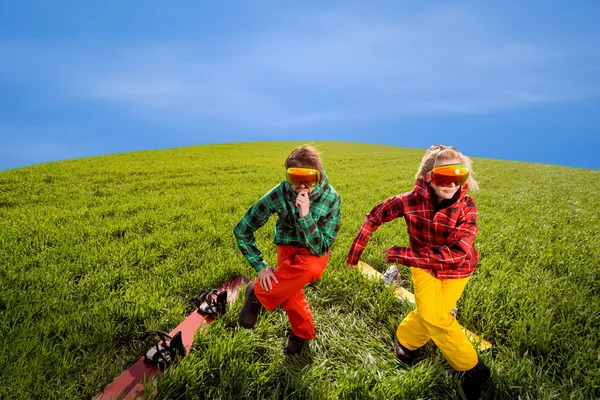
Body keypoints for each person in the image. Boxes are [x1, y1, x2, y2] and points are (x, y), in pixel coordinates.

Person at [345, 144, 490, 400]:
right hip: (424, 269)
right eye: (444, 176)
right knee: (436, 315)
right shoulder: (408, 201)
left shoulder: (468, 207)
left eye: (459, 176)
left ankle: (406, 339)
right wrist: (355, 253)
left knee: (434, 314)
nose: (451, 184)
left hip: (457, 270)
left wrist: (404, 255)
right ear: (427, 177)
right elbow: (374, 217)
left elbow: (459, 251)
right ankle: (472, 368)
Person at [234, 144, 341, 355]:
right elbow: (243, 229)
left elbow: (322, 247)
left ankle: (257, 292)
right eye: (294, 178)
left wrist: (306, 215)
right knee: (290, 291)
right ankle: (301, 333)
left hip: (314, 247)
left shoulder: (331, 198)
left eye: (309, 179)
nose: (302, 186)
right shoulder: (279, 193)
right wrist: (261, 265)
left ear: (318, 176)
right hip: (287, 244)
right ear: (287, 177)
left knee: (311, 269)